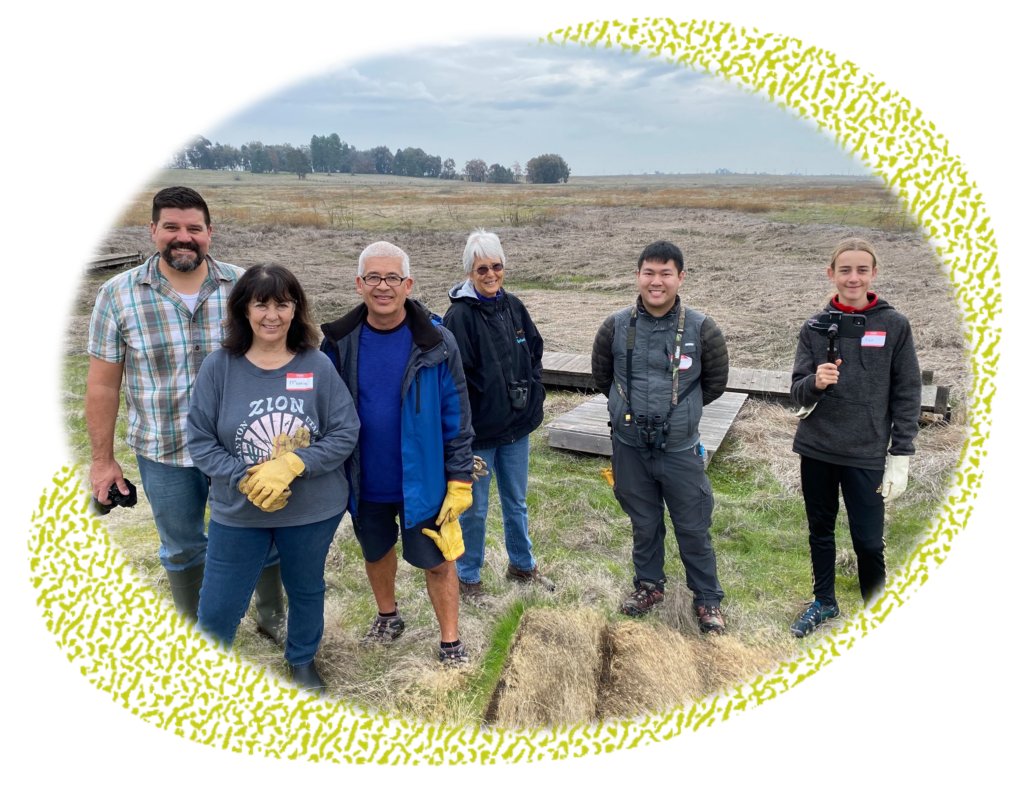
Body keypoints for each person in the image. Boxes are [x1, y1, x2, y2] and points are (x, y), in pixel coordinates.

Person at [86, 187, 287, 638]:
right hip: (164, 450)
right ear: (153, 230)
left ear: (209, 233)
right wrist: (102, 460)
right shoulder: (117, 295)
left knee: (263, 538)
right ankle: (199, 629)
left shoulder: (245, 287)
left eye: (194, 228)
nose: (183, 237)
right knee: (181, 548)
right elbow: (102, 384)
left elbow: (277, 362)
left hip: (241, 450)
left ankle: (273, 617)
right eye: (172, 227)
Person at [186, 264, 358, 699]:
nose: (271, 314)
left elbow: (345, 431)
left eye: (282, 303)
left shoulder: (315, 365)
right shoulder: (219, 367)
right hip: (239, 511)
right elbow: (200, 441)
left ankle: (301, 660)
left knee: (305, 587)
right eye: (261, 303)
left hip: (311, 509)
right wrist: (243, 478)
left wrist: (295, 464)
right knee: (220, 598)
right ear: (243, 309)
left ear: (295, 309)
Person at [319, 241, 476, 666]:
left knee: (440, 561)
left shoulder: (437, 342)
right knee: (375, 551)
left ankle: (450, 642)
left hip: (424, 480)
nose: (383, 286)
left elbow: (456, 413)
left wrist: (460, 477)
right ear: (358, 284)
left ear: (408, 284)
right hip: (363, 478)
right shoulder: (337, 342)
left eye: (392, 278)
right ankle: (388, 616)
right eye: (373, 277)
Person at [591, 240, 729, 634]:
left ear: (680, 278)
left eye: (665, 273)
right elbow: (603, 377)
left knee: (693, 527)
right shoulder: (614, 326)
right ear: (638, 276)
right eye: (649, 272)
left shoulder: (703, 329)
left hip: (680, 451)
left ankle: (707, 600)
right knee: (644, 522)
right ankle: (649, 586)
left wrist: (679, 415)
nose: (656, 281)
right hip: (630, 449)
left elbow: (715, 383)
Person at [789, 238, 921, 637]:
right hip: (818, 447)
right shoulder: (814, 326)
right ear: (831, 274)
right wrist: (816, 382)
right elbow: (796, 390)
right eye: (845, 270)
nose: (853, 277)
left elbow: (907, 391)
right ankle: (824, 602)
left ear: (873, 274)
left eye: (862, 269)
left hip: (866, 451)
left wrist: (901, 453)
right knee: (821, 531)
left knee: (868, 541)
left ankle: (875, 606)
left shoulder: (894, 325)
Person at [442, 230, 553, 604]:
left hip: (516, 428)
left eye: (497, 266)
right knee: (474, 510)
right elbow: (453, 380)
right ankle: (468, 578)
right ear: (470, 273)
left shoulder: (513, 306)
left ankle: (522, 565)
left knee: (517, 501)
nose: (491, 275)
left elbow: (534, 351)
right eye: (482, 269)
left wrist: (533, 391)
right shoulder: (458, 316)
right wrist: (464, 428)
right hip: (479, 436)